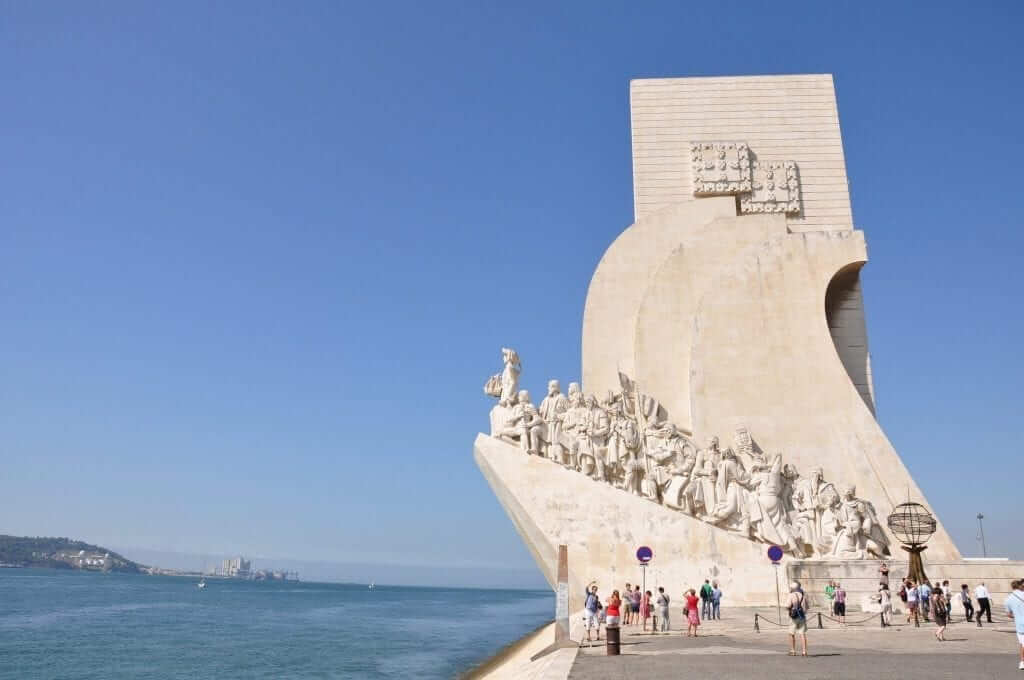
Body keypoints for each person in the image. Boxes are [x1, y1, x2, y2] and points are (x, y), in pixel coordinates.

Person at [1003, 579, 1024, 671]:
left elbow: (1008, 614)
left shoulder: (1008, 599)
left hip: (1020, 624)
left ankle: (1022, 661)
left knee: (1022, 643)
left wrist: (1016, 615)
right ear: (1020, 586)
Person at [788, 581, 809, 657]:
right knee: (802, 634)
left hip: (793, 616)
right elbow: (807, 606)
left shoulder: (791, 595)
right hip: (802, 616)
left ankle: (793, 650)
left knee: (791, 633)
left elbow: (788, 605)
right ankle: (804, 651)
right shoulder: (804, 595)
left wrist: (790, 609)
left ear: (793, 588)